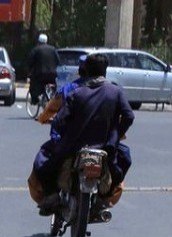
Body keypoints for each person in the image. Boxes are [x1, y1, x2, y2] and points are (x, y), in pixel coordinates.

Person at [28, 53, 134, 215]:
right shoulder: (115, 92)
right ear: (104, 71)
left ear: (85, 70)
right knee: (123, 160)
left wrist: (60, 136)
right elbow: (129, 116)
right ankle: (104, 198)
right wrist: (115, 135)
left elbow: (59, 121)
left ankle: (52, 195)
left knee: (43, 160)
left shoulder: (75, 93)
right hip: (107, 147)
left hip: (73, 147)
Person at [26, 33, 60, 106]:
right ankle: (52, 96)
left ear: (38, 41)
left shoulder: (36, 49)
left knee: (33, 85)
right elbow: (58, 60)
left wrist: (29, 71)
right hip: (52, 74)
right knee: (53, 85)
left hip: (40, 74)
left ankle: (35, 100)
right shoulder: (53, 49)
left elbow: (30, 61)